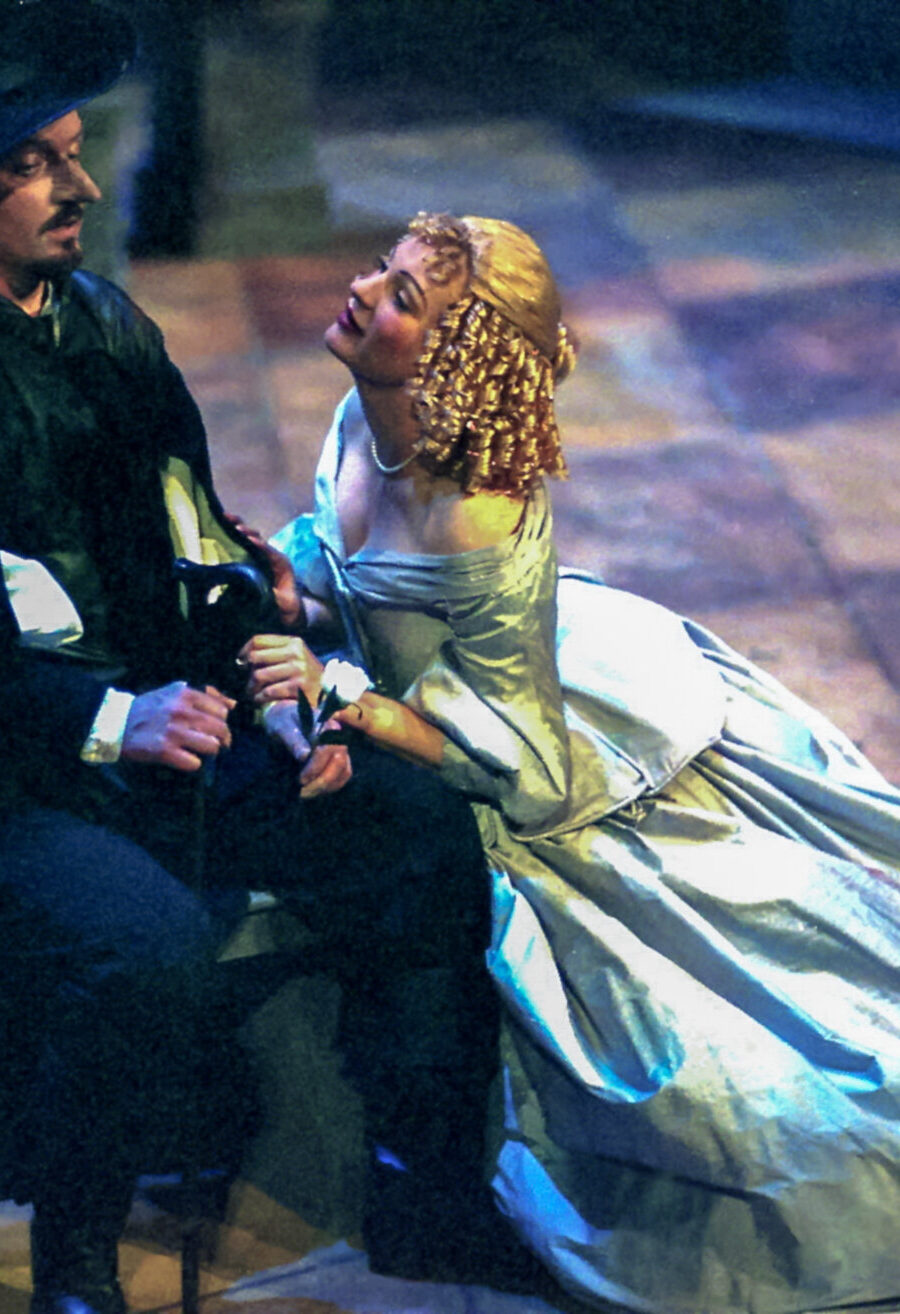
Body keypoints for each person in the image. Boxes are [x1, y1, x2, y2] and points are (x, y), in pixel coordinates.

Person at [240, 210, 900, 1314]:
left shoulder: (475, 521)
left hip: (513, 751)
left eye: (403, 299)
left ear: (451, 361)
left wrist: (344, 694)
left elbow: (531, 768)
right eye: (382, 270)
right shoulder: (363, 415)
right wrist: (299, 596)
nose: (364, 291)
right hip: (442, 691)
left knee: (738, 1089)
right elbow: (347, 567)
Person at [0, 9, 508, 1310]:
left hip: (172, 722)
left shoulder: (104, 329)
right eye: (35, 165)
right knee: (145, 941)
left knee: (412, 823)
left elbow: (192, 539)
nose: (81, 189)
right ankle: (74, 1263)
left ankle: (422, 1194)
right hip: (24, 768)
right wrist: (106, 719)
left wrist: (265, 674)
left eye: (75, 154)